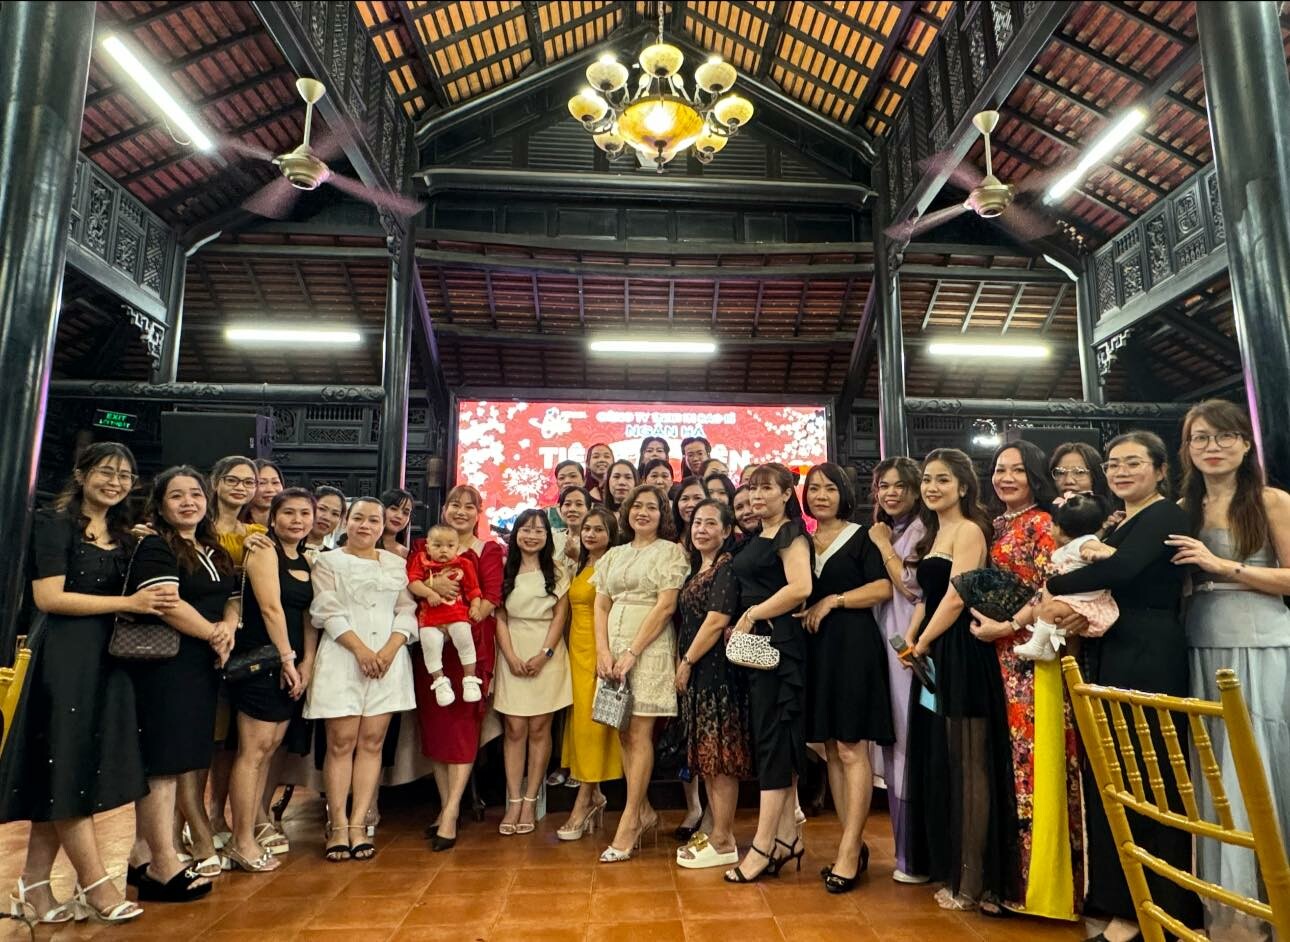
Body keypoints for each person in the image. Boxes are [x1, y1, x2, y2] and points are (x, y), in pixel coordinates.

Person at [1044, 432, 1201, 942]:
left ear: (1160, 469)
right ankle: (1121, 902)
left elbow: (1123, 569)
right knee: (1115, 777)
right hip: (1113, 646)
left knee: (1151, 777)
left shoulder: (1164, 514)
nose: (1121, 471)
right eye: (1113, 464)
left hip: (1150, 650)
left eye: (1134, 463)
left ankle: (1156, 907)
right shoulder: (1119, 522)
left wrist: (1052, 584)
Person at [0, 444, 155, 924]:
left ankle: (33, 885)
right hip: (63, 658)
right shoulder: (53, 524)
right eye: (106, 472)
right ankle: (96, 884)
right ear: (81, 474)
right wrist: (127, 605)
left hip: (107, 659)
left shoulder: (125, 535)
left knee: (65, 769)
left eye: (125, 475)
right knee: (66, 768)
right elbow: (49, 598)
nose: (115, 482)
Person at [1170, 400, 1290, 939]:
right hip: (1200, 641)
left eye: (1224, 436)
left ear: (1245, 443)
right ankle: (1231, 908)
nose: (1212, 447)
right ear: (1187, 449)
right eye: (1200, 438)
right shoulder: (1181, 508)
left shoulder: (1270, 500)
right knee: (1215, 772)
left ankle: (1273, 898)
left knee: (1260, 762)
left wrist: (1223, 566)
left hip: (1261, 642)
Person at [967, 439, 1081, 920]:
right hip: (997, 657)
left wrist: (1008, 626)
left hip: (1033, 656)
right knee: (1007, 765)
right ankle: (1012, 878)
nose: (1006, 478)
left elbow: (1051, 589)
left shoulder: (1043, 523)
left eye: (1016, 470)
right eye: (999, 469)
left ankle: (1044, 887)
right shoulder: (997, 524)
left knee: (1033, 762)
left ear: (1035, 476)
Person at [902, 449, 1013, 913]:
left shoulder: (969, 530)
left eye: (943, 480)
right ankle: (950, 865)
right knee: (944, 760)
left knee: (971, 766)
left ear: (964, 486)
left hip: (961, 651)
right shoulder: (934, 532)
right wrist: (912, 637)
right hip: (934, 649)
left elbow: (957, 596)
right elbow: (926, 597)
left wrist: (924, 641)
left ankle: (972, 880)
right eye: (927, 479)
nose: (932, 487)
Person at [125, 466, 238, 903]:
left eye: (195, 494)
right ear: (160, 503)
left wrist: (227, 626)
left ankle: (141, 855)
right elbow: (166, 602)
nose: (188, 502)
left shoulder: (211, 547)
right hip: (166, 666)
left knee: (179, 762)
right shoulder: (155, 545)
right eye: (177, 495)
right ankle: (163, 863)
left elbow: (232, 596)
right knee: (163, 765)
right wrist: (212, 633)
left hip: (201, 665)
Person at [305, 496, 417, 862]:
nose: (365, 526)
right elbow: (326, 611)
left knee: (372, 742)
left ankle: (359, 822)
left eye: (373, 520)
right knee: (341, 742)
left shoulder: (395, 563)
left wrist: (390, 649)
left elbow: (406, 609)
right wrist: (361, 651)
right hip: (343, 657)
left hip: (388, 660)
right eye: (358, 518)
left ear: (383, 526)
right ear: (346, 522)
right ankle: (337, 823)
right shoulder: (328, 562)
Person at [800, 462, 893, 893]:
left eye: (830, 488)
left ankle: (850, 850)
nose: (821, 495)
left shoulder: (862, 536)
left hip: (853, 648)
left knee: (853, 748)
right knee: (832, 751)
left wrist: (833, 600)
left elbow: (882, 588)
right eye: (814, 488)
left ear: (844, 494)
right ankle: (850, 843)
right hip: (815, 651)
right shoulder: (801, 540)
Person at [725, 463, 813, 883]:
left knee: (774, 742)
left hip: (779, 646)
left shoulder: (790, 533)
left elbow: (801, 587)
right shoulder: (755, 536)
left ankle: (762, 847)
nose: (757, 496)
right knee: (770, 740)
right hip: (758, 647)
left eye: (766, 489)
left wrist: (751, 615)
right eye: (752, 489)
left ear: (786, 493)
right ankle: (786, 838)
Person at [592, 484, 689, 862]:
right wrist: (603, 651)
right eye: (637, 506)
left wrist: (633, 652)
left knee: (640, 731)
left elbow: (666, 607)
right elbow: (601, 605)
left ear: (662, 515)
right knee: (621, 728)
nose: (643, 512)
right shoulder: (614, 554)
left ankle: (630, 819)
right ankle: (644, 810)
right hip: (612, 648)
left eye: (651, 507)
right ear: (627, 512)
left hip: (649, 647)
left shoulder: (670, 552)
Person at [223, 488, 317, 873]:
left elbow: (309, 616)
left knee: (270, 749)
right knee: (252, 752)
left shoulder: (306, 558)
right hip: (265, 662)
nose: (297, 520)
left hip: (291, 665)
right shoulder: (263, 550)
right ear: (273, 517)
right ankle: (240, 840)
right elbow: (270, 608)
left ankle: (253, 827)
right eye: (289, 513)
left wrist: (307, 663)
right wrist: (287, 658)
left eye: (305, 514)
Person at [413, 485, 503, 852]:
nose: (461, 511)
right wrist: (430, 586)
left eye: (469, 506)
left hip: (469, 648)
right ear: (444, 509)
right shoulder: (424, 548)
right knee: (437, 730)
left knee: (463, 730)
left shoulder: (487, 550)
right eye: (455, 505)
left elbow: (491, 596)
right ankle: (444, 805)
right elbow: (410, 586)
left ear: (479, 513)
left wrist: (464, 617)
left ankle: (451, 813)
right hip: (433, 652)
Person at [674, 499, 753, 870]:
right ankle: (716, 831)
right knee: (707, 758)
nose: (701, 529)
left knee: (720, 758)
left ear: (726, 530)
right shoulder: (698, 567)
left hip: (717, 673)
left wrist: (687, 661)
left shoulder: (725, 567)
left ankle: (724, 839)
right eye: (696, 523)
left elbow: (717, 619)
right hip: (701, 675)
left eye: (710, 523)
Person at [866, 457, 928, 883]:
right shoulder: (894, 529)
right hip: (888, 645)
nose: (890, 493)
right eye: (883, 486)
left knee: (908, 741)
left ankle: (916, 856)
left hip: (909, 646)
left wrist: (883, 544)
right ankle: (906, 853)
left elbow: (910, 585)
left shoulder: (919, 530)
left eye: (900, 485)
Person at [493, 510, 573, 835]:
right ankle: (513, 800)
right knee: (514, 728)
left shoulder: (557, 570)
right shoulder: (504, 568)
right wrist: (510, 655)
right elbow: (499, 616)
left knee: (540, 728)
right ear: (516, 534)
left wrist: (545, 654)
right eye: (526, 530)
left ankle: (531, 799)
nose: (532, 536)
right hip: (511, 647)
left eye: (539, 530)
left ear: (547, 536)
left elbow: (560, 617)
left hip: (547, 652)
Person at [558, 507, 623, 840]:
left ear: (611, 534)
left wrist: (604, 653)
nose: (591, 534)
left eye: (599, 529)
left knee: (592, 727)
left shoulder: (613, 564)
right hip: (576, 654)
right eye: (587, 528)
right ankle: (594, 794)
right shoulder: (582, 563)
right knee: (580, 725)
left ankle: (583, 801)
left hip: (599, 653)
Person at [1010, 494, 1120, 661]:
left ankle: (1038, 646)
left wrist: (1098, 554)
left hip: (1084, 600)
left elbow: (1112, 552)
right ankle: (1047, 648)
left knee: (1049, 611)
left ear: (1059, 528)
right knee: (1037, 611)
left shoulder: (1085, 542)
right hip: (1067, 596)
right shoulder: (1067, 547)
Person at [407, 525, 483, 707]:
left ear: (457, 548)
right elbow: (412, 582)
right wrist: (429, 592)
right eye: (437, 545)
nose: (443, 550)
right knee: (429, 645)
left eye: (450, 546)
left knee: (464, 638)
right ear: (428, 547)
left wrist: (475, 607)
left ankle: (470, 678)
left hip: (457, 615)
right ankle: (439, 681)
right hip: (429, 620)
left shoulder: (464, 564)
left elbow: (473, 589)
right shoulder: (421, 561)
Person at [553, 484, 594, 573]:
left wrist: (578, 557)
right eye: (567, 504)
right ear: (560, 510)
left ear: (589, 510)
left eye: (579, 504)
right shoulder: (553, 538)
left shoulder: (594, 540)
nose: (572, 509)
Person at [306, 486, 346, 560]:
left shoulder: (335, 559)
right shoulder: (287, 549)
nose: (327, 518)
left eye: (335, 514)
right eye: (322, 509)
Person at [241, 459, 284, 527]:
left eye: (275, 482)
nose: (270, 490)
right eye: (262, 483)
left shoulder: (289, 524)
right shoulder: (234, 525)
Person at [378, 487, 414, 559]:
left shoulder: (409, 556)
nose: (399, 516)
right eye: (393, 509)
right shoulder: (363, 545)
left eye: (405, 513)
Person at [672, 476, 707, 542]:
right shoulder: (668, 538)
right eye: (685, 499)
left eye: (697, 498)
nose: (691, 504)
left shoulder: (716, 537)